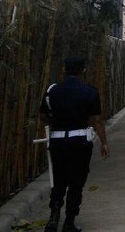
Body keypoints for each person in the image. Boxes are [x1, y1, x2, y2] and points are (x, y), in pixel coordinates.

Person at [39, 55, 109, 232]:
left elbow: (43, 116)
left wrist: (54, 123)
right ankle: (69, 221)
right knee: (76, 181)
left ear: (64, 70)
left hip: (57, 141)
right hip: (80, 141)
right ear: (83, 70)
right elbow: (97, 120)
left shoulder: (52, 91)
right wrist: (104, 142)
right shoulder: (90, 92)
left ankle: (53, 218)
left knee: (59, 179)